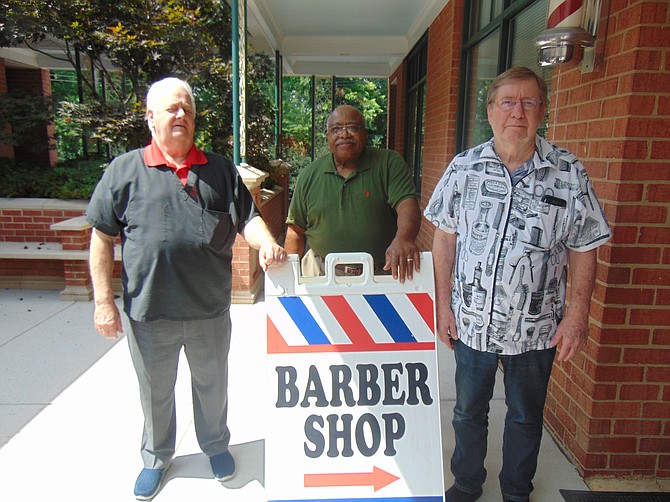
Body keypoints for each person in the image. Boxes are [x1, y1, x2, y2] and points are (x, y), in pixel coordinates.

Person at [86, 77, 286, 500]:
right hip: (149, 312)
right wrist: (104, 302)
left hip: (208, 311)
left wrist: (266, 240)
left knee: (212, 385)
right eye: (171, 108)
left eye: (187, 110)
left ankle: (215, 445)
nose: (181, 115)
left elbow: (246, 218)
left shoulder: (218, 169)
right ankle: (156, 457)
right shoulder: (124, 171)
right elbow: (101, 237)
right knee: (155, 392)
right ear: (150, 117)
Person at [424, 67, 611, 502]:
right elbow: (444, 241)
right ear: (490, 111)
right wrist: (443, 306)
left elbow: (585, 247)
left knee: (525, 417)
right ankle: (468, 484)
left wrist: (578, 315)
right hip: (472, 321)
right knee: (468, 413)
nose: (518, 112)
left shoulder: (569, 173)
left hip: (537, 328)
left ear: (543, 111)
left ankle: (516, 492)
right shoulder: (464, 168)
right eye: (508, 102)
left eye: (529, 102)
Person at [285, 105, 421, 282]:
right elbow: (295, 230)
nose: (344, 134)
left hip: (380, 276)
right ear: (328, 137)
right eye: (336, 129)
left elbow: (407, 204)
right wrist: (288, 280)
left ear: (364, 134)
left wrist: (405, 238)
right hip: (320, 273)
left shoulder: (388, 163)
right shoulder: (309, 175)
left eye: (352, 127)